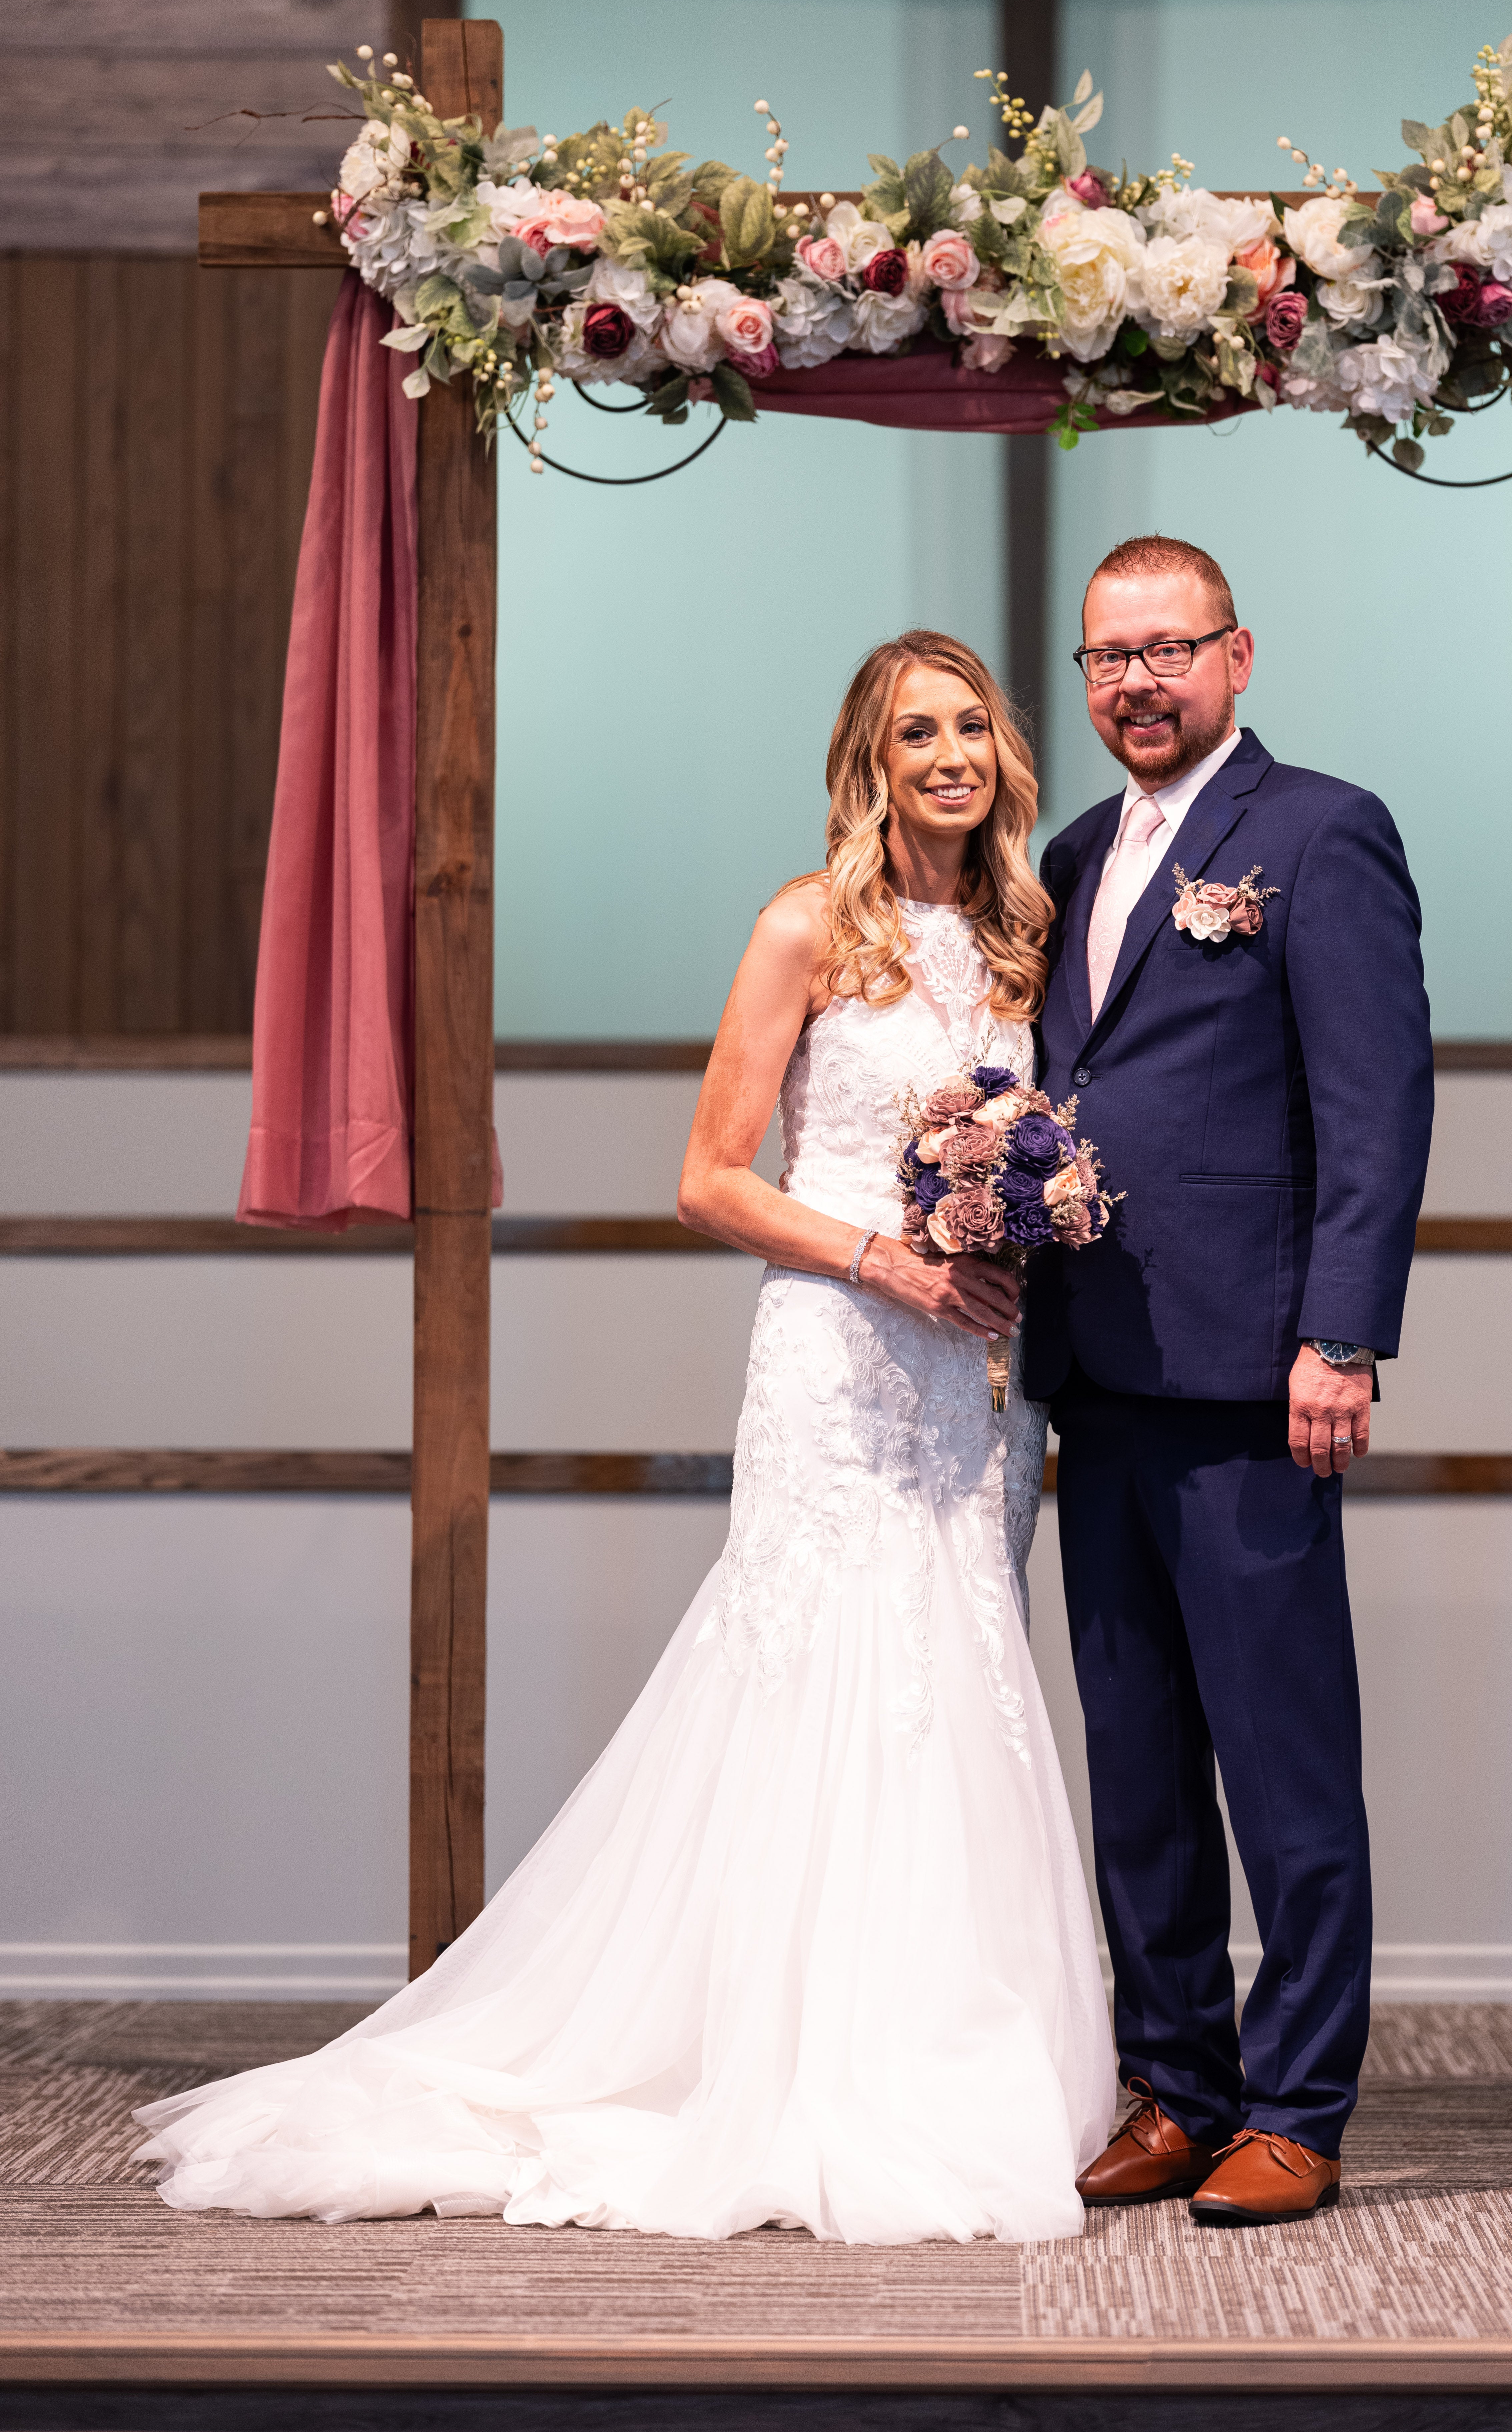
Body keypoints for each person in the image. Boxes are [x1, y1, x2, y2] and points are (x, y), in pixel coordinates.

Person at [136, 632, 1116, 2245]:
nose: (947, 755)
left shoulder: (1023, 937)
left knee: (956, 1675)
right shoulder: (806, 926)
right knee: (814, 1670)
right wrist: (886, 1259)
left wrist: (1015, 1225)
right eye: (911, 733)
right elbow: (709, 1177)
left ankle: (938, 2043)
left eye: (968, 727)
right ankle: (764, 2061)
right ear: (868, 763)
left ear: (1002, 753)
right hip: (841, 1348)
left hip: (971, 1384)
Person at [1024, 533, 1433, 2229]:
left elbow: (1377, 1102)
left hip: (1258, 1377)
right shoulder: (1062, 852)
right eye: (1108, 658)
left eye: (1166, 652)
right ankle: (1175, 2083)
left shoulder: (1319, 832)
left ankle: (1299, 2104)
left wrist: (1339, 1338)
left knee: (1280, 1761)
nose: (1136, 683)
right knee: (1133, 1762)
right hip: (1093, 1369)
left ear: (1236, 655)